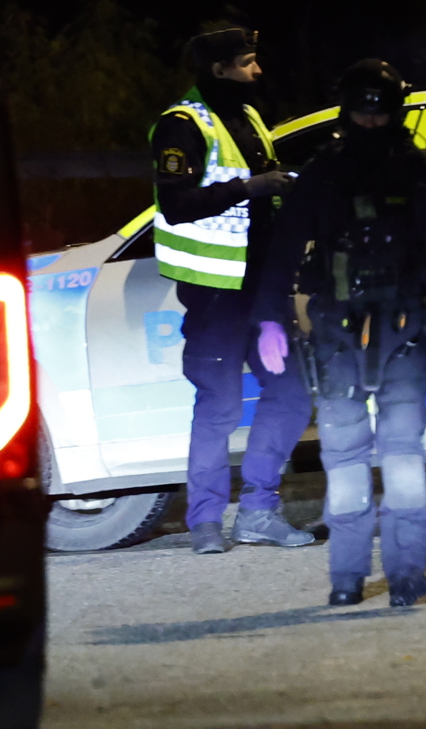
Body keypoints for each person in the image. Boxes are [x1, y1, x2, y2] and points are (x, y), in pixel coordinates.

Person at [253, 59, 426, 607]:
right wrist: (268, 318)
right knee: (343, 456)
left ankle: (407, 571)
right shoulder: (323, 172)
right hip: (338, 332)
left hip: (404, 327)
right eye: (363, 111)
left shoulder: (419, 169)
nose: (372, 122)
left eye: (381, 112)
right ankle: (347, 574)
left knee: (403, 454)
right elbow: (285, 246)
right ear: (347, 109)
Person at [150, 28, 316, 555]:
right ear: (219, 69)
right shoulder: (181, 125)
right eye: (247, 62)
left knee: (290, 396)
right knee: (219, 406)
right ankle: (204, 523)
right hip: (216, 294)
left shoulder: (246, 117)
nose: (257, 70)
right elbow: (176, 203)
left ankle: (258, 513)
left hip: (263, 289)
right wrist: (249, 188)